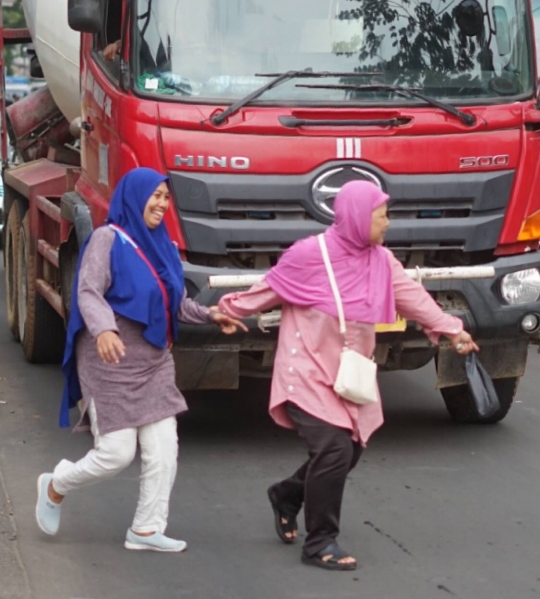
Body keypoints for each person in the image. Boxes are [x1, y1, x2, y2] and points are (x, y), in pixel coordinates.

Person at [218, 181, 478, 572]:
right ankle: (320, 542)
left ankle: (287, 495)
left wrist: (453, 329)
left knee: (349, 449)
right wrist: (229, 310)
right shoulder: (310, 255)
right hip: (305, 369)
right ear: (358, 217)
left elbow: (412, 297)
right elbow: (270, 288)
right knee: (334, 450)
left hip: (350, 372)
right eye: (382, 216)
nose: (388, 223)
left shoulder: (381, 260)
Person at [35, 168, 246, 552]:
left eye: (166, 198)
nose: (162, 204)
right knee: (116, 453)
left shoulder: (160, 243)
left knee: (164, 447)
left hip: (153, 361)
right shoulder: (106, 239)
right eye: (156, 195)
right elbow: (88, 292)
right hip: (110, 362)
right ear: (134, 196)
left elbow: (173, 303)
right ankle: (55, 484)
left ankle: (146, 530)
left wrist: (209, 315)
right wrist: (103, 330)